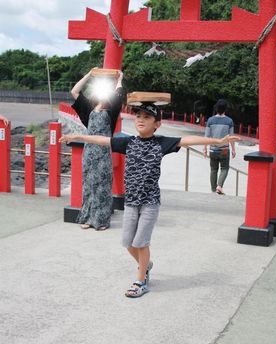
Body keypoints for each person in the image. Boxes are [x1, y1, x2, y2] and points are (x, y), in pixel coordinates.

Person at [59, 102, 239, 298]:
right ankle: (146, 265)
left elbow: (188, 140)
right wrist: (76, 136)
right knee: (128, 242)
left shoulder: (161, 143)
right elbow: (102, 140)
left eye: (147, 117)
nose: (141, 120)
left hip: (150, 203)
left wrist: (218, 140)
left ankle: (141, 280)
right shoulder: (128, 142)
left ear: (157, 124)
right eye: (138, 117)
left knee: (141, 242)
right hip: (130, 203)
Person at [70, 69, 124, 230]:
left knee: (103, 186)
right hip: (89, 152)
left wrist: (120, 78)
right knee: (89, 185)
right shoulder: (88, 108)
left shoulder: (112, 110)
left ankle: (101, 220)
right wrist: (89, 74)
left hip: (103, 152)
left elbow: (119, 92)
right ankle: (87, 218)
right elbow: (75, 91)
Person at [203, 99, 236, 195]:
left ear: (216, 108)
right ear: (225, 109)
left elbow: (206, 136)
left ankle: (213, 190)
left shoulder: (210, 120)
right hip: (224, 150)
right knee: (225, 168)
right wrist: (233, 150)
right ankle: (219, 186)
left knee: (213, 169)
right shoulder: (229, 121)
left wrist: (204, 148)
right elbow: (231, 137)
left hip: (213, 150)